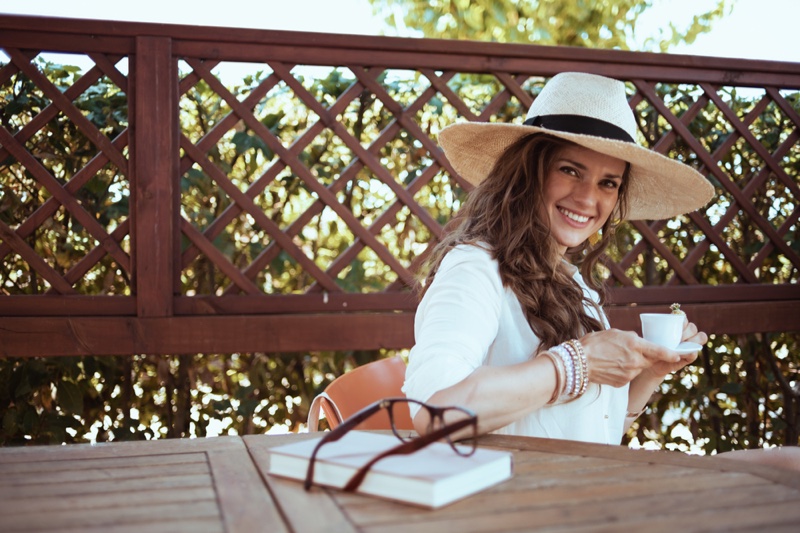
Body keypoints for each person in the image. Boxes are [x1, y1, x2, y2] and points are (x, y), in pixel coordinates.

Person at [402, 72, 800, 468]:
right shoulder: (475, 267)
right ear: (527, 171)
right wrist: (578, 363)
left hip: (586, 485)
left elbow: (593, 427)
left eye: (608, 183)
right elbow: (433, 412)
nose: (588, 198)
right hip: (518, 503)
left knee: (789, 465)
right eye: (570, 170)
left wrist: (652, 373)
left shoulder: (571, 281)